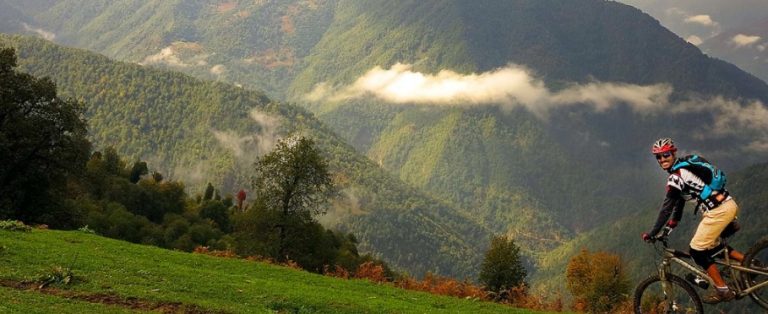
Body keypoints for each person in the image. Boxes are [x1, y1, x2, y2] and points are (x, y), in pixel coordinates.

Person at [642, 138, 744, 304]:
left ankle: (723, 290)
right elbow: (678, 204)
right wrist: (671, 226)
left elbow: (666, 208)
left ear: (673, 153)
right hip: (727, 205)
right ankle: (750, 263)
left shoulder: (676, 177)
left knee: (696, 250)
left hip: (718, 211)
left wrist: (652, 233)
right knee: (713, 247)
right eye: (658, 157)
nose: (662, 159)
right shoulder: (682, 170)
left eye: (665, 155)